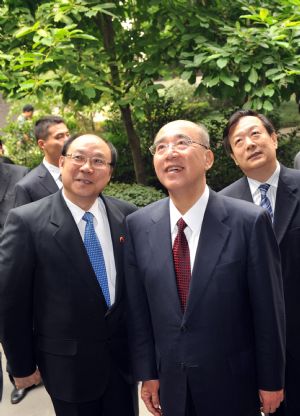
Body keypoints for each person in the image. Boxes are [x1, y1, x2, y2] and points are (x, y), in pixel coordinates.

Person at [125, 120, 285, 416]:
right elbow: (139, 310)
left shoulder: (248, 221)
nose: (170, 152)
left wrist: (272, 379)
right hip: (172, 384)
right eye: (161, 147)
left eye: (182, 143)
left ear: (208, 158)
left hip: (234, 383)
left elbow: (268, 309)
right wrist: (148, 373)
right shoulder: (139, 225)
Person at [0, 133, 138, 416]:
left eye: (99, 161)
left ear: (110, 173)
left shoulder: (129, 217)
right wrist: (21, 366)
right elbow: (10, 302)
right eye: (79, 158)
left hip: (122, 366)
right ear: (62, 162)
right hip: (66, 367)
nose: (87, 167)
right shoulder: (26, 221)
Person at [220, 109, 300, 416]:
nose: (249, 143)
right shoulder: (223, 206)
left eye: (256, 134)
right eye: (238, 141)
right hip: (255, 348)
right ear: (232, 157)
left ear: (274, 139)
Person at [14, 115, 70, 206]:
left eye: (67, 135)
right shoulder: (27, 186)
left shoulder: (81, 171)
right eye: (59, 136)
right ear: (42, 144)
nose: (67, 140)